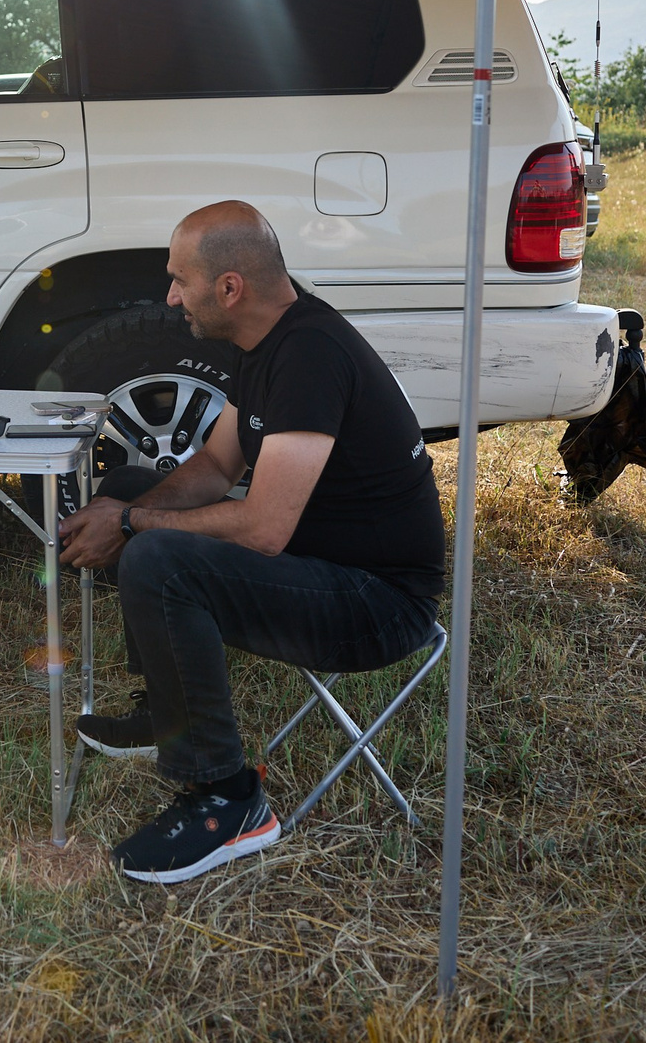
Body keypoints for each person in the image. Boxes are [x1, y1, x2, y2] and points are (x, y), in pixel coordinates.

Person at [56, 201, 444, 884]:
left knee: (155, 552)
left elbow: (265, 528)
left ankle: (226, 800)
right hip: (322, 565)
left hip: (376, 605)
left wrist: (131, 525)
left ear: (229, 287)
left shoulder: (311, 355)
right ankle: (166, 718)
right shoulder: (268, 341)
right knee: (140, 483)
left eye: (180, 280)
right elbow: (213, 468)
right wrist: (124, 505)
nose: (170, 296)